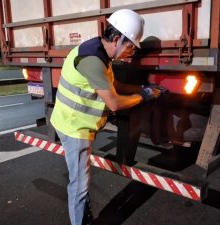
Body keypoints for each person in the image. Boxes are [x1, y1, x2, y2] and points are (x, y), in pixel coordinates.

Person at [50, 9, 164, 225]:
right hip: (75, 128)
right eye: (130, 46)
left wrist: (143, 87)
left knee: (80, 181)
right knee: (79, 185)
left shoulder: (98, 51)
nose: (130, 52)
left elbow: (115, 86)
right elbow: (114, 103)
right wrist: (144, 95)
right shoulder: (93, 60)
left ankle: (83, 215)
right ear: (116, 38)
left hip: (70, 121)